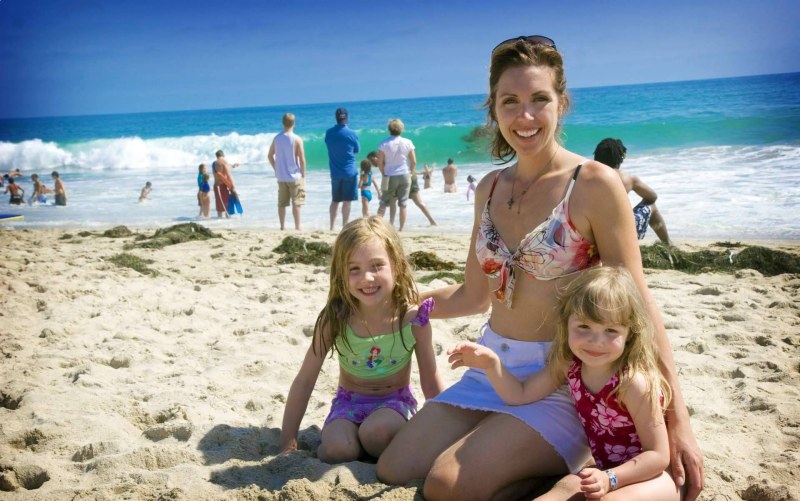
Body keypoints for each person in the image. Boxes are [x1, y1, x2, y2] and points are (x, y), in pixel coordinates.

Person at [377, 35, 703, 501]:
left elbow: (638, 301)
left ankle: (563, 474)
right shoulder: (489, 187)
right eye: (510, 102)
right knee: (395, 467)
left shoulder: (594, 184)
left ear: (561, 103)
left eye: (539, 100)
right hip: (493, 368)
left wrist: (679, 422)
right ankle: (506, 446)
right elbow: (473, 295)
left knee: (446, 484)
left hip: (565, 377)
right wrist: (403, 305)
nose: (524, 116)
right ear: (494, 107)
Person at [449, 266, 677, 500]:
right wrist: (492, 365)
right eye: (584, 327)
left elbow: (658, 455)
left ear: (629, 333)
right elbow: (520, 394)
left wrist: (611, 478)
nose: (596, 341)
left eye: (611, 330)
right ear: (566, 323)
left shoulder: (633, 383)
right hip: (605, 471)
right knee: (564, 490)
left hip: (653, 476)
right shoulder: (570, 365)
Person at [279, 216, 444, 463]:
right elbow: (305, 380)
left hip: (394, 405)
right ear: (340, 274)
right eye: (354, 269)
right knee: (338, 450)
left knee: (376, 434)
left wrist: (445, 433)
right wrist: (288, 441)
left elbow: (430, 382)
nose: (366, 278)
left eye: (377, 266)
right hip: (347, 406)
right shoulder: (335, 319)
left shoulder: (412, 320)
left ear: (396, 266)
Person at [594, 138, 672, 245]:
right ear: (620, 158)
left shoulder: (586, 177)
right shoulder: (627, 178)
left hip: (594, 233)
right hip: (620, 235)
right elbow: (652, 196)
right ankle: (668, 244)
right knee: (651, 206)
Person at [268, 112, 307, 230]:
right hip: (294, 176)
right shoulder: (297, 139)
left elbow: (270, 156)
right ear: (294, 123)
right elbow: (302, 159)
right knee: (297, 203)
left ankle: (282, 226)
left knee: (282, 203)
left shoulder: (277, 138)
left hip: (281, 176)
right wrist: (303, 174)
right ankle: (297, 226)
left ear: (282, 123)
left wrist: (276, 168)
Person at [325, 108, 360, 231]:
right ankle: (345, 226)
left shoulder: (329, 133)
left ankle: (331, 226)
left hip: (335, 172)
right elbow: (356, 150)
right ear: (347, 118)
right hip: (349, 171)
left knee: (335, 200)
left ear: (336, 118)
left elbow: (328, 145)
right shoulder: (352, 133)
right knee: (347, 201)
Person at [376, 118, 415, 231]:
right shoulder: (408, 142)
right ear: (401, 129)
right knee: (403, 203)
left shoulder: (384, 143)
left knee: (384, 201)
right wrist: (411, 173)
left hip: (389, 175)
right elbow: (413, 161)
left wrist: (384, 173)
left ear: (389, 129)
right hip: (404, 174)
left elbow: (379, 162)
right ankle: (401, 229)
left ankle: (377, 225)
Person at [212, 150, 238, 218]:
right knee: (227, 206)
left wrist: (232, 166)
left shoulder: (214, 163)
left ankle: (219, 222)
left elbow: (221, 171)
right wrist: (233, 187)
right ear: (223, 155)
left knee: (219, 207)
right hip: (223, 186)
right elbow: (228, 174)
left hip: (216, 186)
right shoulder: (224, 161)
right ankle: (228, 222)